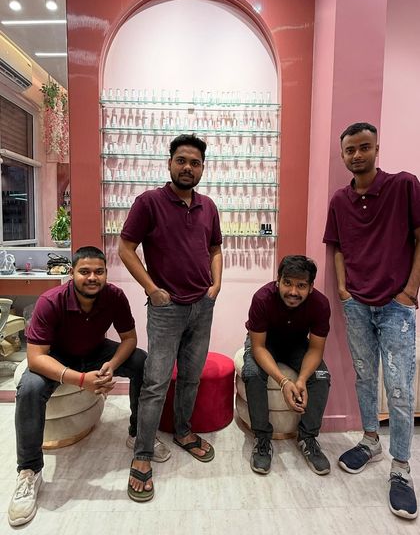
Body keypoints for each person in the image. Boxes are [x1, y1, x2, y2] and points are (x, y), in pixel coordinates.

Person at [7, 246, 168, 527]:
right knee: (29, 388)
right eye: (84, 271)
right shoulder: (50, 301)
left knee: (141, 361)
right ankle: (29, 472)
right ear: (72, 273)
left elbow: (129, 339)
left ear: (105, 273)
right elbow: (35, 357)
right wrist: (82, 380)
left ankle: (137, 433)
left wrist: (112, 365)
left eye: (99, 271)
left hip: (96, 350)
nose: (92, 277)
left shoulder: (114, 296)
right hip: (57, 355)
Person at [323, 122, 420, 520]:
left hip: (397, 305)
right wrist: (344, 290)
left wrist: (410, 290)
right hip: (357, 304)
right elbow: (338, 248)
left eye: (364, 147)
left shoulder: (404, 185)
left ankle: (401, 467)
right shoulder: (339, 200)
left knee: (399, 388)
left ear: (377, 148)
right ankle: (369, 441)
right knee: (364, 376)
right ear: (343, 155)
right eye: (350, 150)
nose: (357, 155)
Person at [119, 133, 223, 502]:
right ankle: (143, 453)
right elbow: (125, 248)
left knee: (191, 376)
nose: (188, 167)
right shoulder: (149, 202)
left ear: (202, 168)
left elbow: (215, 248)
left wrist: (216, 285)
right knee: (156, 382)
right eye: (181, 160)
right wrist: (152, 289)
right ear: (169, 163)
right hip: (166, 310)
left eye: (195, 163)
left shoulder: (208, 206)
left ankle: (182, 431)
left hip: (202, 307)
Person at [242, 255, 331, 475]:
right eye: (287, 283)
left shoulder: (320, 304)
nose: (293, 291)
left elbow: (315, 349)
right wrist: (283, 382)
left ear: (311, 287)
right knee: (252, 373)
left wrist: (301, 380)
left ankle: (308, 437)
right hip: (265, 343)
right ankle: (262, 439)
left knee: (321, 376)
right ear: (278, 281)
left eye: (301, 285)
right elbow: (258, 347)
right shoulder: (262, 298)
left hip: (297, 344)